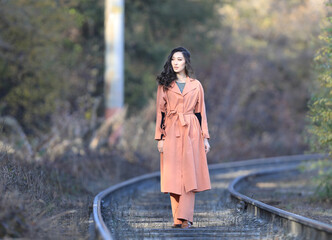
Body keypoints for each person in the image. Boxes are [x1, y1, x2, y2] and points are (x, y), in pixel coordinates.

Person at [154, 46, 211, 229]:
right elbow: (160, 113)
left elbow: (201, 112)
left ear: (186, 62)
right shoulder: (164, 85)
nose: (176, 63)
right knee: (173, 176)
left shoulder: (196, 85)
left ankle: (185, 218)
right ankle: (177, 218)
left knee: (189, 175)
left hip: (191, 132)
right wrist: (160, 138)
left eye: (179, 59)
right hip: (171, 130)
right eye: (173, 60)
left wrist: (205, 138)